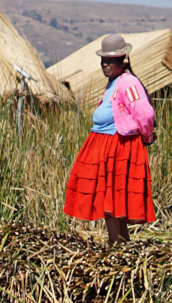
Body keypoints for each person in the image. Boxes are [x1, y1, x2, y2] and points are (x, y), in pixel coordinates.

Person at [63, 34, 157, 244]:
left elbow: (145, 113)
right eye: (103, 61)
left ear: (123, 61)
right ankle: (119, 241)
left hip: (119, 146)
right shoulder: (114, 82)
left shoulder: (128, 82)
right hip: (105, 144)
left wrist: (147, 137)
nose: (105, 65)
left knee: (112, 195)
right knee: (109, 194)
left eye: (110, 61)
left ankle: (117, 242)